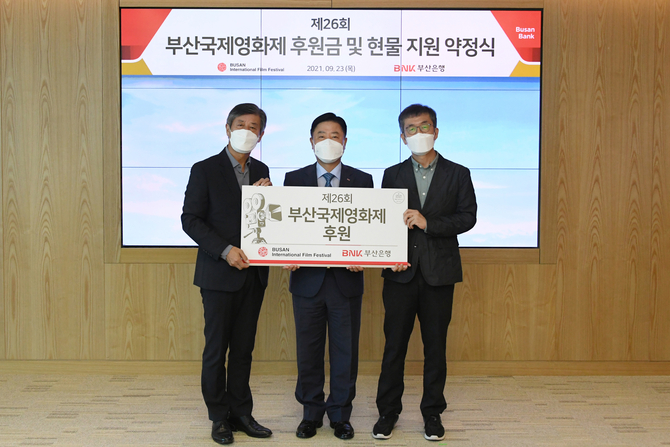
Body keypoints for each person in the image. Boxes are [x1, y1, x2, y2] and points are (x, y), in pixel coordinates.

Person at [372, 104, 477, 441]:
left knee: (435, 348)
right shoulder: (392, 174)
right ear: (403, 137)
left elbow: (468, 217)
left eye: (424, 126)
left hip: (439, 274)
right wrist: (388, 254)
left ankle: (432, 414)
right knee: (394, 348)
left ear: (436, 130)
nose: (419, 133)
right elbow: (384, 221)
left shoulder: (458, 173)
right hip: (399, 273)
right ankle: (387, 413)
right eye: (411, 129)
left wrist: (428, 222)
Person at [181, 103, 273, 445]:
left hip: (253, 274)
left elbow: (264, 221)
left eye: (254, 127)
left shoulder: (261, 169)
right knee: (216, 350)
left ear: (261, 134)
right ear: (228, 129)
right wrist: (225, 250)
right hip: (219, 274)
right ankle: (219, 417)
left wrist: (270, 200)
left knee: (244, 350)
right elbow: (190, 219)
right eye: (241, 125)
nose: (247, 131)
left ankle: (241, 413)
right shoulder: (204, 169)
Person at [283, 113, 373, 440]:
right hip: (306, 280)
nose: (328, 140)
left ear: (345, 142)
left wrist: (364, 255)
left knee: (345, 352)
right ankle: (310, 414)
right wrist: (285, 252)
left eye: (335, 135)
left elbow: (369, 227)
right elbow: (286, 226)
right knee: (308, 351)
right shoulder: (293, 179)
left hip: (345, 282)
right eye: (321, 135)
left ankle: (340, 415)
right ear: (311, 142)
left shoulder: (362, 180)